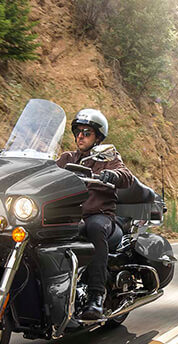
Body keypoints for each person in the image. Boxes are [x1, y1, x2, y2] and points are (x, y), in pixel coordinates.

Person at [55, 108, 133, 320]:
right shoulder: (67, 158)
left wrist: (112, 175)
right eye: (77, 132)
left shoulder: (108, 156)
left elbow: (126, 176)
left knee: (94, 228)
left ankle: (96, 296)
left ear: (97, 137)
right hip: (72, 215)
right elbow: (47, 172)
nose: (80, 136)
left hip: (99, 216)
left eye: (86, 132)